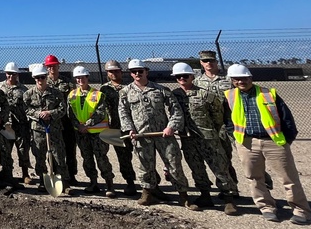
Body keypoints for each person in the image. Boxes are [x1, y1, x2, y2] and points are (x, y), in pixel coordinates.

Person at [224, 64, 311, 224]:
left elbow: (286, 118)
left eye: (244, 78)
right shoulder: (229, 96)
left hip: (273, 141)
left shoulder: (268, 94)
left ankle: (301, 210)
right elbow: (228, 119)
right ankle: (266, 207)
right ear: (232, 80)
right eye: (237, 79)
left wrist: (287, 139)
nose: (241, 81)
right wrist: (236, 137)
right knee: (254, 177)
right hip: (247, 143)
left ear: (250, 77)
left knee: (289, 178)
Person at [118, 59, 199, 210]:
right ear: (130, 74)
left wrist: (171, 126)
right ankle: (148, 192)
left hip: (164, 135)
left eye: (140, 71)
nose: (137, 73)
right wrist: (130, 129)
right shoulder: (125, 92)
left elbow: (176, 110)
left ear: (146, 72)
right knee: (145, 166)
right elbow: (123, 113)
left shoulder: (160, 90)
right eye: (134, 71)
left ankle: (184, 196)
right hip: (142, 136)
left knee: (174, 164)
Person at [170, 63, 238, 214]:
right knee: (196, 168)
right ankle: (205, 195)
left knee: (220, 167)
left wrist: (209, 130)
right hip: (187, 139)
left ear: (192, 77)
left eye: (185, 76)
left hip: (208, 138)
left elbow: (218, 116)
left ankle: (228, 199)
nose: (181, 78)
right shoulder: (174, 95)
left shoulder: (206, 94)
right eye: (178, 76)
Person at [195, 49, 240, 189]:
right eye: (205, 61)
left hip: (227, 125)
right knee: (216, 158)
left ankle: (232, 186)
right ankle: (227, 189)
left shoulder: (228, 81)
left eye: (211, 60)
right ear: (201, 63)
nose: (208, 63)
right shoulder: (196, 82)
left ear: (216, 62)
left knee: (228, 157)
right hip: (208, 126)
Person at [66, 67, 115, 196]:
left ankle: (109, 185)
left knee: (101, 159)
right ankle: (93, 183)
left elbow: (100, 113)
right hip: (82, 134)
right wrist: (79, 126)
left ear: (87, 77)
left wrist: (86, 125)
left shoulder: (98, 94)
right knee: (87, 159)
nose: (80, 80)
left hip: (97, 133)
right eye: (78, 78)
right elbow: (71, 114)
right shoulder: (72, 95)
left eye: (82, 77)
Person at [23, 64, 69, 194]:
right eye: (37, 77)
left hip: (54, 129)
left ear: (46, 78)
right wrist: (38, 114)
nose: (40, 80)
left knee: (58, 156)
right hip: (38, 130)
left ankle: (64, 183)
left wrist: (50, 113)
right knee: (40, 157)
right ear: (34, 78)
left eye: (42, 77)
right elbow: (26, 109)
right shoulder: (28, 94)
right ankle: (43, 182)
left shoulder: (56, 93)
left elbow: (62, 109)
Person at [98, 60, 138, 196]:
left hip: (134, 126)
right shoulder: (104, 89)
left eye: (116, 71)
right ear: (107, 74)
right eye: (111, 72)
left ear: (121, 71)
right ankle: (130, 182)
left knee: (143, 154)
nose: (114, 74)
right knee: (123, 156)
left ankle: (151, 185)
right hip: (115, 128)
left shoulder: (131, 86)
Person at [44, 55, 78, 186]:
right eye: (49, 66)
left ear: (58, 66)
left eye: (54, 65)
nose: (52, 68)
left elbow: (73, 101)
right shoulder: (44, 82)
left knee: (70, 150)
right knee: (53, 151)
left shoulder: (67, 82)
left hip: (67, 122)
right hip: (52, 123)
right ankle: (57, 174)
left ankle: (71, 175)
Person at [0, 62, 32, 184]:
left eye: (13, 74)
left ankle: (25, 174)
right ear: (5, 74)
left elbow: (28, 106)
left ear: (17, 74)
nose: (11, 76)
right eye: (8, 74)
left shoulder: (24, 90)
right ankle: (7, 173)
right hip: (6, 125)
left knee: (23, 149)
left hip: (20, 124)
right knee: (6, 149)